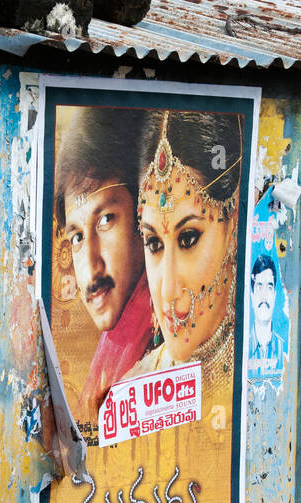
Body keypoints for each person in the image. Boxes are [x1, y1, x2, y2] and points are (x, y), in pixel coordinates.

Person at [122, 109, 242, 390]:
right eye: (153, 243)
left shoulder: (259, 367)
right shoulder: (132, 392)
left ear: (232, 227)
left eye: (188, 239)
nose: (167, 291)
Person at [53, 106, 154, 424]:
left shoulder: (169, 343)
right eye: (78, 237)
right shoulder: (116, 353)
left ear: (144, 214)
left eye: (106, 219)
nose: (90, 269)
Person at [247, 252, 284, 367]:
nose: (264, 295)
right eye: (259, 286)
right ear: (252, 296)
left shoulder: (284, 350)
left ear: (274, 295)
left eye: (269, 287)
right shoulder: (244, 348)